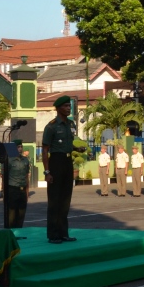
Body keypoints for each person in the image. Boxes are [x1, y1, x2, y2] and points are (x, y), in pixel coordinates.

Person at [42, 96, 86, 244]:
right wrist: (47, 172)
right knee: (54, 200)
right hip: (56, 162)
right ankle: (53, 235)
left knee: (66, 200)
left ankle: (63, 233)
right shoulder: (51, 126)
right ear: (58, 108)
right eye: (66, 106)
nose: (69, 108)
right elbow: (45, 150)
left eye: (69, 106)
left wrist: (76, 148)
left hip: (68, 162)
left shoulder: (70, 124)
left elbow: (68, 143)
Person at [6, 146, 32, 228]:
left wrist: (27, 192)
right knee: (12, 213)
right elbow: (4, 177)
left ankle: (20, 230)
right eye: (17, 147)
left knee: (22, 212)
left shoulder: (25, 160)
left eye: (21, 147)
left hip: (22, 189)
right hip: (12, 188)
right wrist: (5, 192)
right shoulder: (9, 160)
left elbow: (26, 176)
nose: (20, 149)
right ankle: (11, 231)